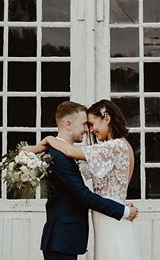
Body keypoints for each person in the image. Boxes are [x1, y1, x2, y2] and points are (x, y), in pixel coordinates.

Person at [26, 100, 142, 260]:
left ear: (106, 119)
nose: (89, 130)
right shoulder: (116, 147)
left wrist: (47, 141)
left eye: (92, 123)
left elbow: (70, 150)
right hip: (108, 214)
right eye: (86, 124)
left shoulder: (115, 146)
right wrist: (121, 206)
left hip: (110, 216)